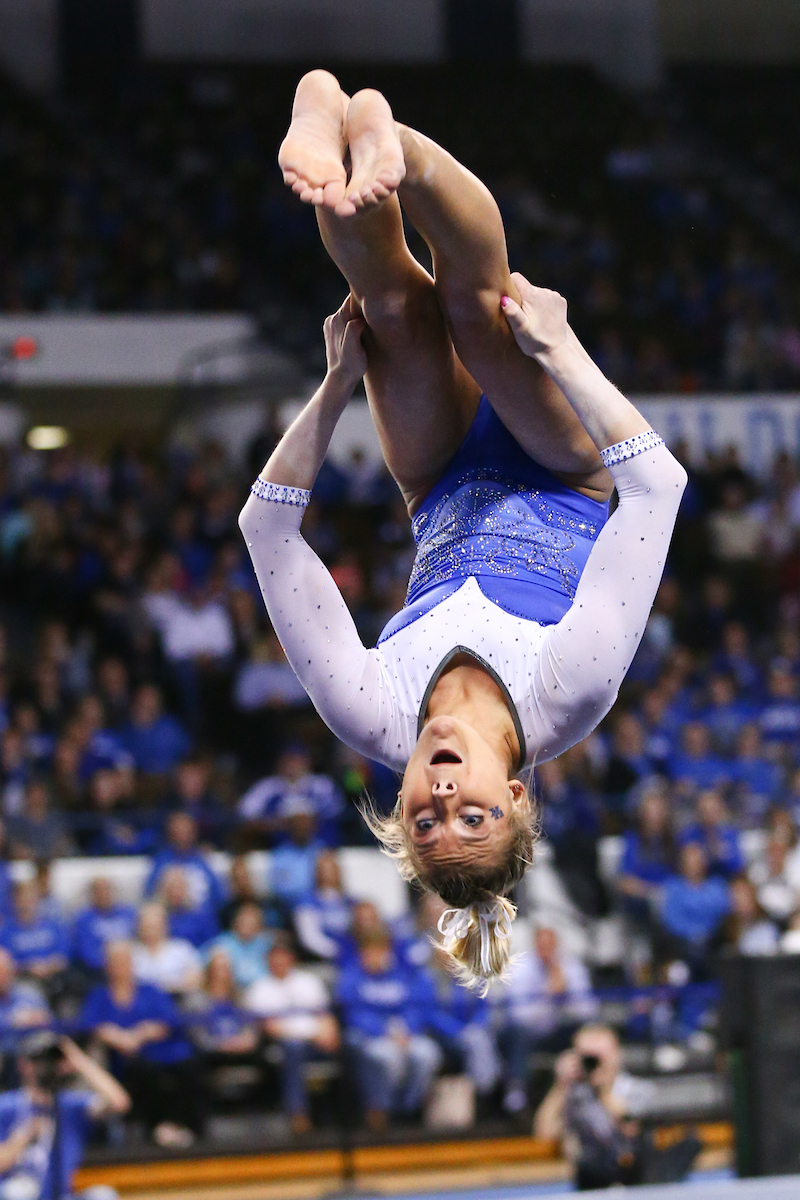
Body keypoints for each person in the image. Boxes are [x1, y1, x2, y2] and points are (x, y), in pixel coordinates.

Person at [240, 71, 687, 989]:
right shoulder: (572, 689)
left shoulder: (372, 713)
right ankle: (403, 153)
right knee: (483, 321)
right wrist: (564, 353)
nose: (444, 801)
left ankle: (329, 133)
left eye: (425, 822)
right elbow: (656, 488)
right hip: (564, 467)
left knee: (394, 313)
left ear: (398, 805)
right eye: (472, 819)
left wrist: (333, 388)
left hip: (437, 481)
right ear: (516, 797)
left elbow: (266, 534)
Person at [534, 1024, 699, 1190]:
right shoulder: (575, 1094)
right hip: (595, 1175)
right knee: (588, 1163)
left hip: (637, 1172)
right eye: (589, 1058)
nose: (595, 1064)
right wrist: (560, 1087)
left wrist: (604, 1090)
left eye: (600, 1057)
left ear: (616, 1055)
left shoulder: (637, 1089)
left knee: (689, 1143)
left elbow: (630, 1128)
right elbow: (545, 1132)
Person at [80, 941, 204, 1147]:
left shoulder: (150, 990)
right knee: (144, 1070)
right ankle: (157, 1127)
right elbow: (92, 1027)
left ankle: (185, 1126)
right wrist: (118, 1037)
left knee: (190, 1065)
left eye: (125, 960)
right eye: (116, 961)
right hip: (120, 1059)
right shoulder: (99, 996)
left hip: (158, 1050)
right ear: (107, 965)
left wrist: (142, 1033)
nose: (121, 966)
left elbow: (167, 1021)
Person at [0, 1033, 130, 1200]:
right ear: (23, 1064)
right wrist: (23, 1137)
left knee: (104, 1195)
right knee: (17, 1192)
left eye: (50, 1060)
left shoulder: (70, 1105)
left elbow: (119, 1102)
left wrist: (77, 1059)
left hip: (61, 1195)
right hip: (18, 1192)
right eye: (37, 1060)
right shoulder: (7, 1106)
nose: (44, 1066)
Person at [336, 928, 443, 1131]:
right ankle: (383, 1110)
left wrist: (406, 1030)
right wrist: (384, 1031)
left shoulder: (403, 974)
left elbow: (417, 1006)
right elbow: (351, 1013)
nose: (375, 956)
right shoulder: (351, 976)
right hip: (372, 1036)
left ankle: (408, 1108)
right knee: (386, 1057)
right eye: (369, 951)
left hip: (406, 1034)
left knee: (428, 1054)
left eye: (380, 950)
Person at [244, 940, 339, 1135]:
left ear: (292, 958)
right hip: (283, 1046)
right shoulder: (259, 989)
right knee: (293, 1048)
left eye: (283, 955)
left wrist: (330, 1034)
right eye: (274, 956)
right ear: (267, 960)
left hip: (318, 1043)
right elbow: (270, 1028)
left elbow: (326, 1016)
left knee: (352, 1046)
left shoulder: (309, 982)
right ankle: (298, 1114)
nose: (279, 960)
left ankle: (351, 1120)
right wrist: (309, 1036)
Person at [499, 926, 596, 1115]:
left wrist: (565, 996)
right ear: (535, 945)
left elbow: (589, 1010)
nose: (546, 950)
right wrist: (548, 996)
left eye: (550, 944)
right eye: (542, 945)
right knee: (518, 1033)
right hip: (530, 1034)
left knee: (584, 1031)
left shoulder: (571, 967)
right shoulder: (520, 969)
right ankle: (517, 1091)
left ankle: (591, 1084)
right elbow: (519, 1015)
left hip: (559, 1031)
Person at [293, 850, 354, 961]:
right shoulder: (307, 901)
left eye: (332, 868)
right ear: (317, 873)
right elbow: (309, 938)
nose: (328, 874)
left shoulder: (349, 901)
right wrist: (338, 952)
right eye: (324, 870)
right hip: (322, 959)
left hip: (350, 956)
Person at [131, 904, 203, 997]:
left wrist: (170, 988)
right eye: (147, 926)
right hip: (142, 1002)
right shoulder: (132, 953)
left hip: (178, 1000)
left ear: (165, 926)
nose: (151, 931)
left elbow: (196, 977)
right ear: (139, 927)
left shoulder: (181, 948)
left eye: (155, 926)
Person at [72, 878, 137, 977]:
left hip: (131, 969)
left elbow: (137, 943)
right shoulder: (83, 920)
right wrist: (113, 965)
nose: (103, 894)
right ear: (92, 894)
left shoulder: (129, 914)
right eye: (98, 890)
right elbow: (87, 953)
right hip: (97, 974)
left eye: (106, 889)